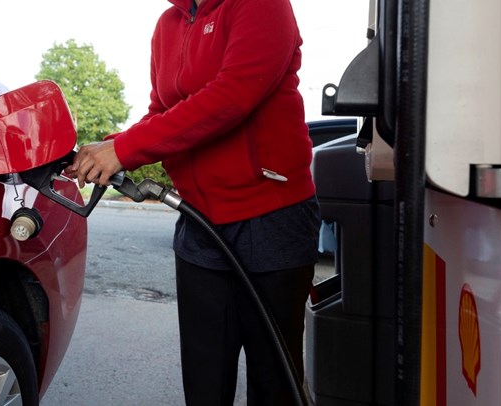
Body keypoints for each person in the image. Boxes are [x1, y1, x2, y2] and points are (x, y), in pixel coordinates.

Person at [66, 0, 320, 404]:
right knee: (204, 379)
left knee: (274, 381)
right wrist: (110, 147)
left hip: (271, 215)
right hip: (200, 221)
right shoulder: (168, 24)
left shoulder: (260, 5)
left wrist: (125, 150)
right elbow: (161, 112)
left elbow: (232, 96)